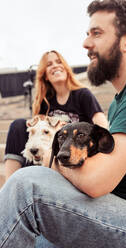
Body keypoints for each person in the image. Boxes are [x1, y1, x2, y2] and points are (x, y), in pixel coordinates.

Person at [1, 0, 126, 247]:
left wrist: (51, 158)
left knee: (26, 189)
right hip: (117, 208)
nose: (86, 43)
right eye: (87, 34)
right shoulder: (122, 100)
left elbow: (97, 180)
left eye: (96, 33)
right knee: (35, 238)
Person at [3, 50, 108, 248]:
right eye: (49, 64)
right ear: (44, 74)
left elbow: (100, 122)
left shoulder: (82, 95)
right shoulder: (45, 102)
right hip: (46, 159)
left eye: (58, 61)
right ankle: (9, 193)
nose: (55, 66)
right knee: (18, 125)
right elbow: (35, 135)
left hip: (72, 159)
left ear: (66, 68)